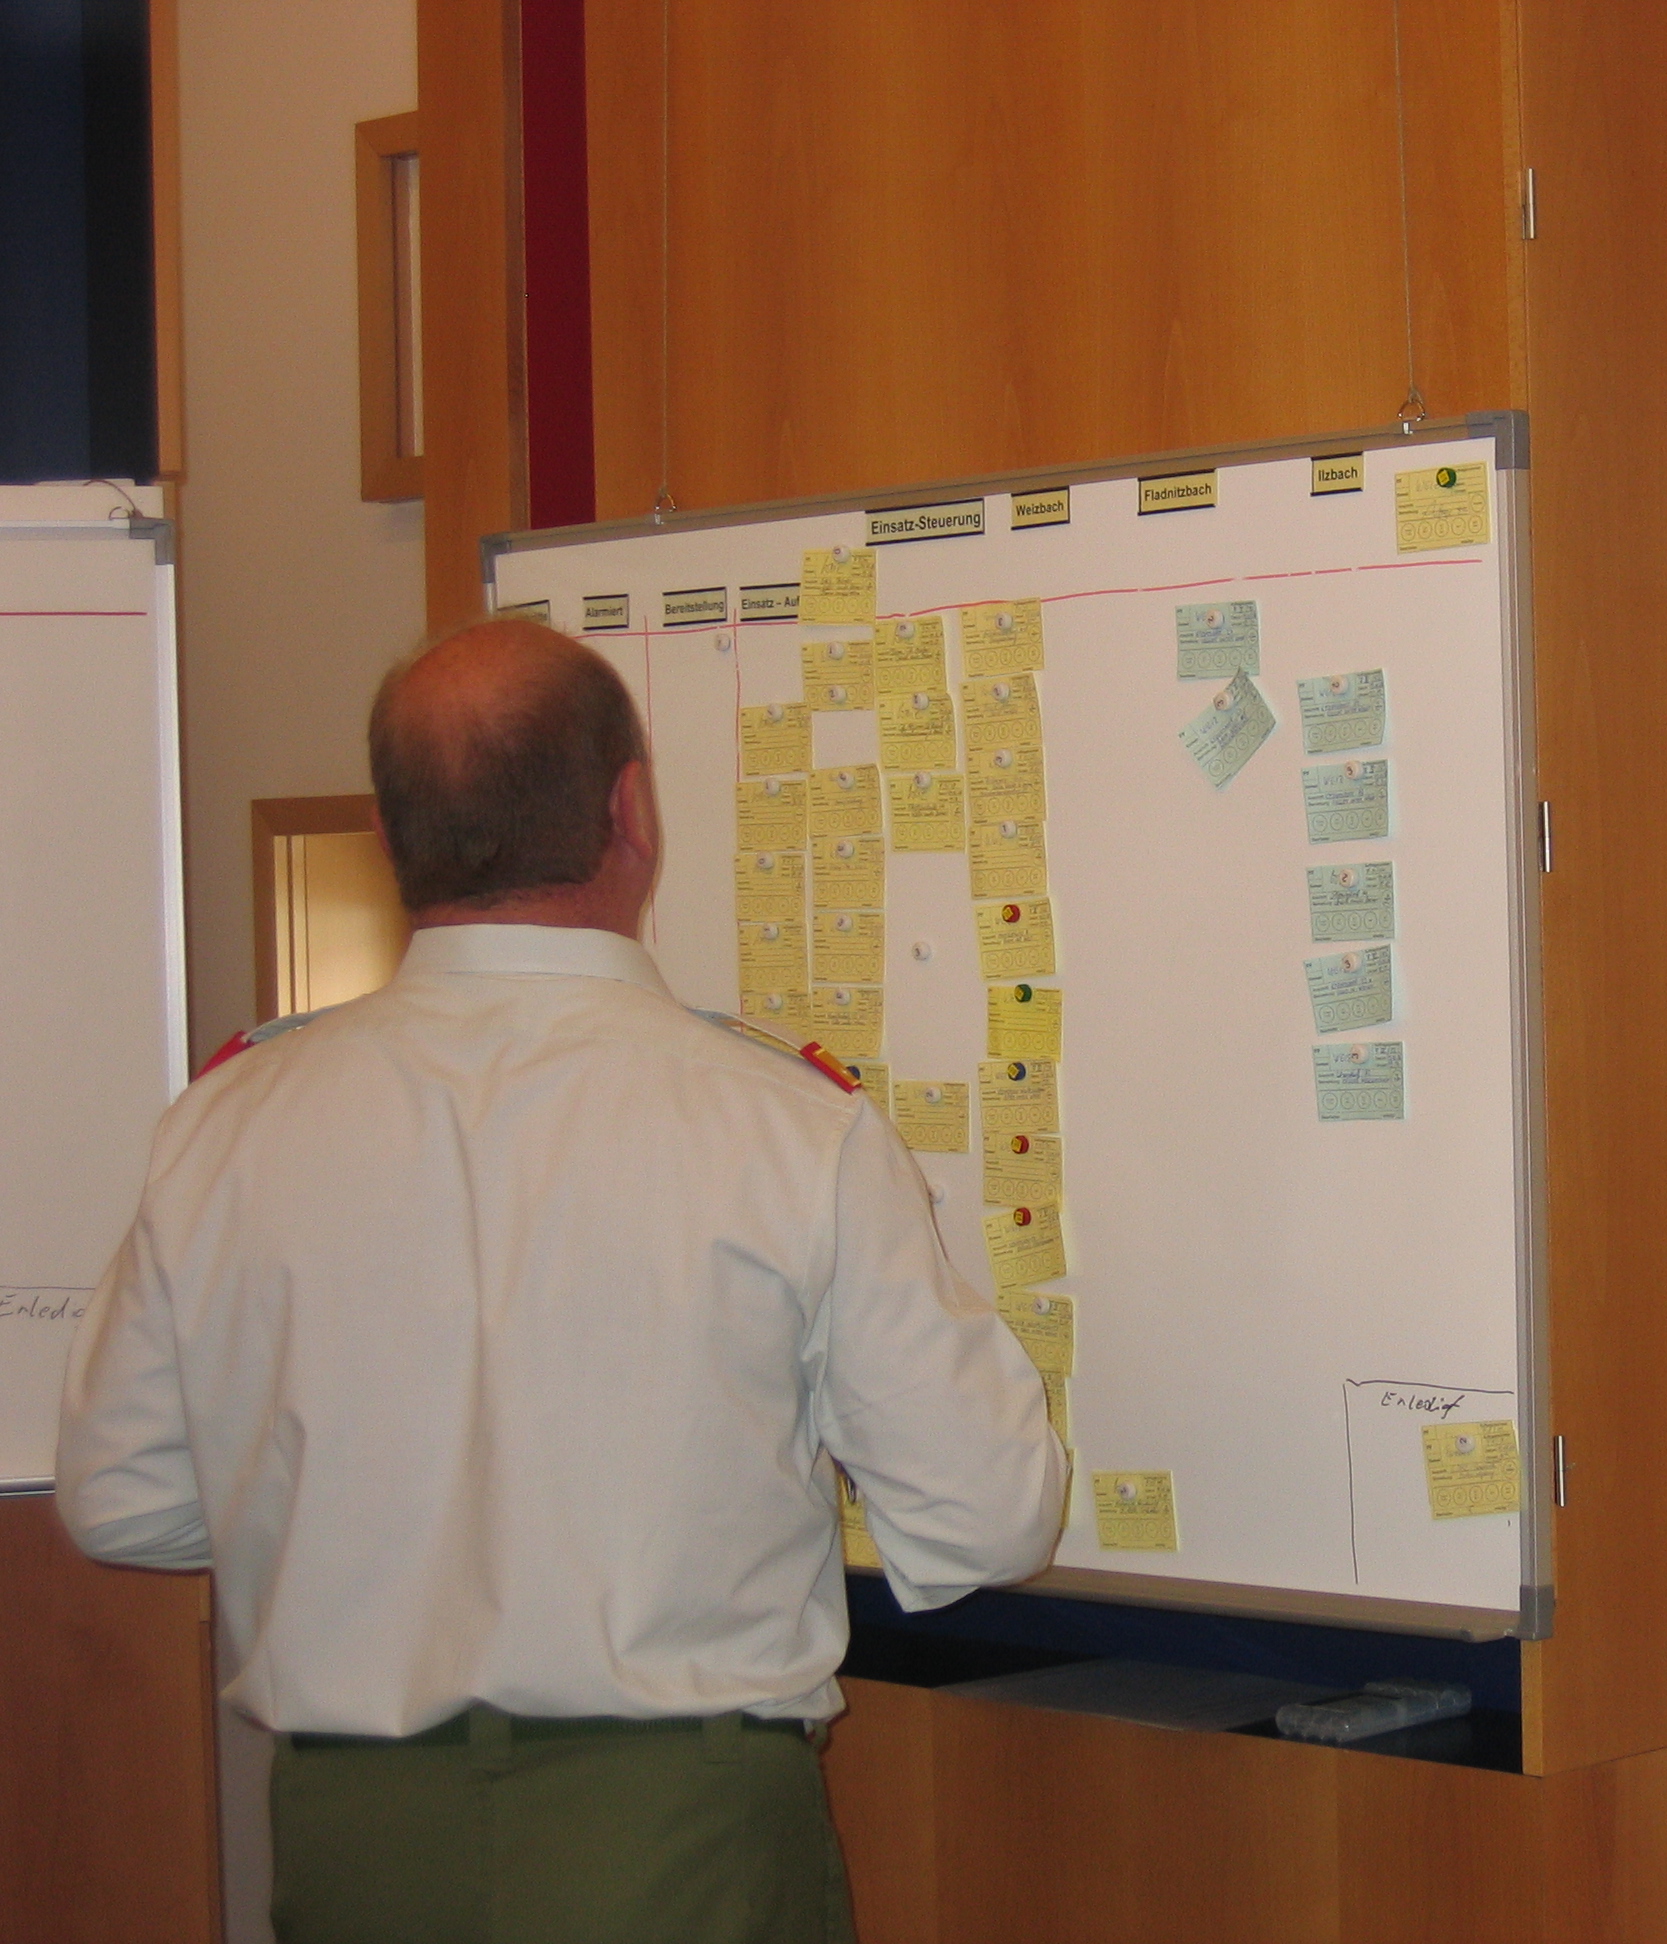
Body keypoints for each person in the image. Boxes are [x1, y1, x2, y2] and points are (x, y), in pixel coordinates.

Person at [54, 616, 1066, 1944]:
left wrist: (334, 1524)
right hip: (682, 1844)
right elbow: (989, 1520)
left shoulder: (227, 1130)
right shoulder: (784, 1125)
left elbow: (124, 1502)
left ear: (389, 834)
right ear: (631, 813)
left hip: (359, 1848)